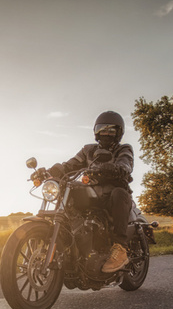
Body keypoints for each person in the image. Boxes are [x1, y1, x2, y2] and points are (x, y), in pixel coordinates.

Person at [47, 111, 134, 273]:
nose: (106, 133)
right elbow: (70, 165)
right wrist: (54, 171)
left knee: (119, 193)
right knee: (71, 189)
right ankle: (74, 241)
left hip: (113, 197)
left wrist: (115, 168)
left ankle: (120, 248)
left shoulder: (124, 149)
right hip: (93, 195)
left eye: (111, 130)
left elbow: (126, 165)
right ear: (96, 131)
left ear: (119, 133)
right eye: (102, 129)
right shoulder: (88, 150)